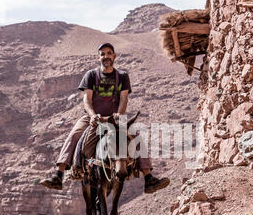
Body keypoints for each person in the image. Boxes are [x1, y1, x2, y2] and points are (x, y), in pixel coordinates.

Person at [40, 43, 170, 194]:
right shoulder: (91, 75)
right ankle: (59, 175)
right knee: (75, 134)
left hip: (114, 118)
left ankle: (149, 179)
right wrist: (92, 115)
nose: (106, 56)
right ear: (99, 57)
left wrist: (119, 115)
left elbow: (124, 98)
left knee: (136, 137)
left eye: (109, 53)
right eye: (102, 54)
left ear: (114, 56)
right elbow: (86, 100)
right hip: (93, 117)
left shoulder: (122, 76)